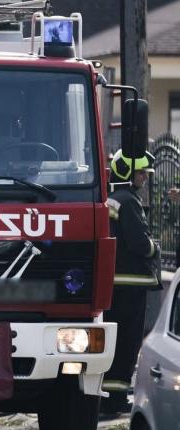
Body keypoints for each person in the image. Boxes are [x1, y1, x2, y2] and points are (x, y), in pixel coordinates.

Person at [102, 149, 160, 414]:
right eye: (140, 173)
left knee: (115, 340)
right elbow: (139, 242)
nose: (144, 178)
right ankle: (117, 398)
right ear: (126, 171)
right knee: (128, 341)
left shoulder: (112, 199)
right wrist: (154, 248)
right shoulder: (130, 200)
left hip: (113, 284)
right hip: (132, 283)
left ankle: (107, 393)